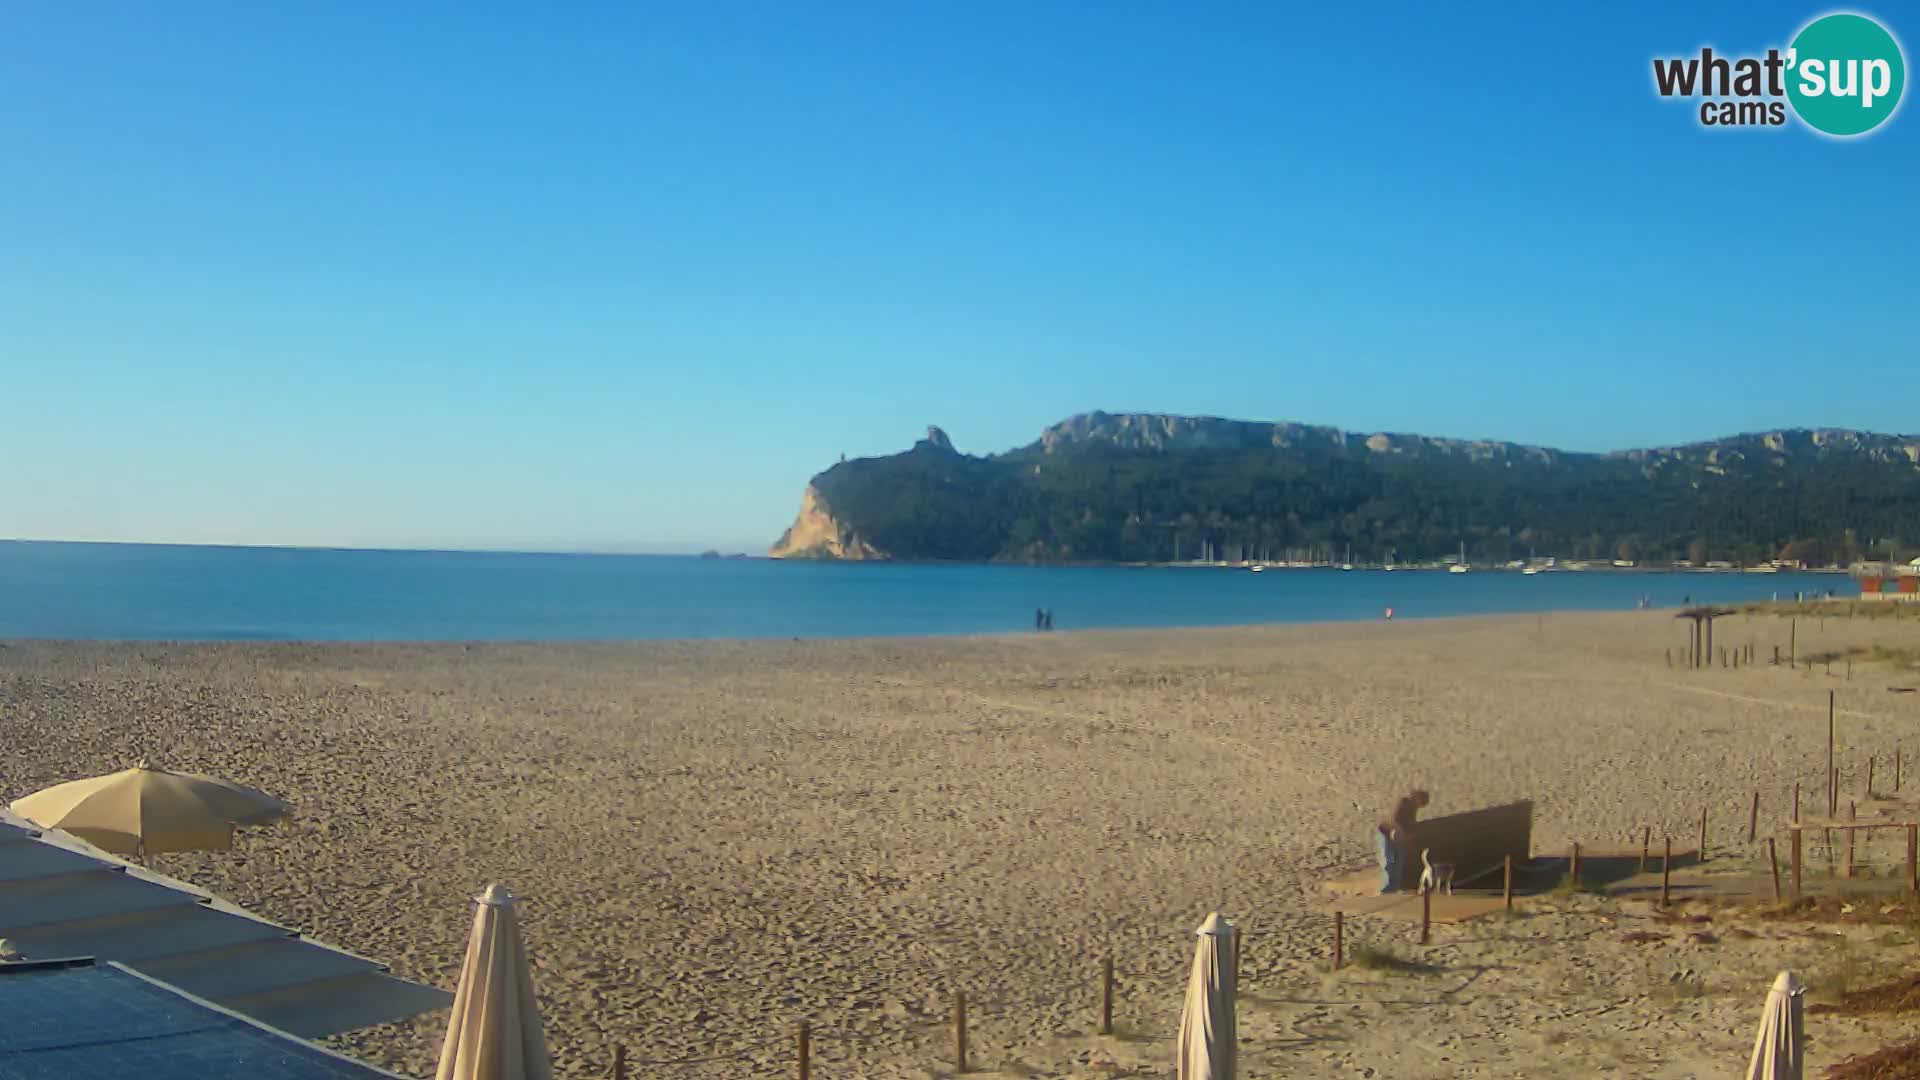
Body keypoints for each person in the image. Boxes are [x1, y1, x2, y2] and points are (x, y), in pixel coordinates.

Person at [1375, 789, 1430, 894]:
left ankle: (1391, 889)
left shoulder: (1412, 807)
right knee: (1391, 862)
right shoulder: (1404, 804)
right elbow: (1395, 822)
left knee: (1396, 863)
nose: (1420, 805)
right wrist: (1400, 834)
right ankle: (1387, 891)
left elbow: (1407, 824)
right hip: (1390, 835)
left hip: (1395, 836)